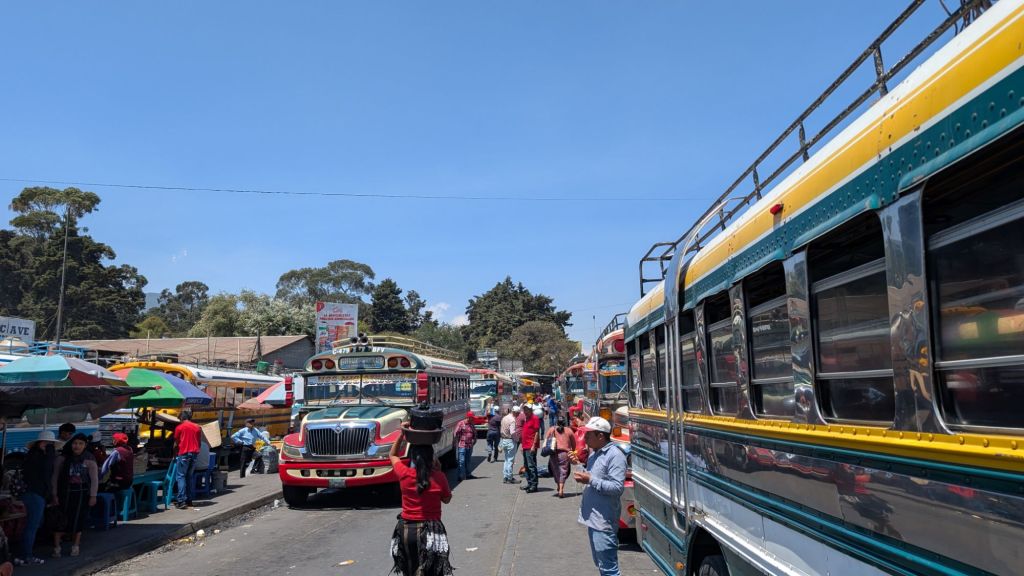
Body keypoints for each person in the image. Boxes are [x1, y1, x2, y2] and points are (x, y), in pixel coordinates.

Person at [389, 426, 454, 576]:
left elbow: (393, 455)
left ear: (412, 458)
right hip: (432, 531)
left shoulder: (404, 474)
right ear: (432, 459)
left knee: (410, 570)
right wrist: (439, 470)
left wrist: (402, 434)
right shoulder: (439, 477)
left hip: (407, 530)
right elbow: (447, 499)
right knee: (433, 571)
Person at [572, 416, 627, 576]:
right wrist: (577, 465)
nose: (585, 437)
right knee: (601, 564)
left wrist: (590, 479)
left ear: (600, 436)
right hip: (594, 520)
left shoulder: (615, 455)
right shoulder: (594, 454)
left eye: (589, 434)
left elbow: (617, 487)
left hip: (604, 522)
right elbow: (591, 476)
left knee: (609, 568)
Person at [14, 430, 59, 566]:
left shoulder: (31, 456)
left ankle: (23, 554)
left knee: (31, 525)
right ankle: (26, 556)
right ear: (42, 444)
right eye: (50, 444)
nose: (51, 447)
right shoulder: (41, 458)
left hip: (30, 493)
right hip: (35, 494)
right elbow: (46, 474)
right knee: (32, 526)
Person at [50, 433, 98, 559]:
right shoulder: (62, 459)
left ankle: (75, 546)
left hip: (81, 494)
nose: (77, 446)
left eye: (81, 444)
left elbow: (94, 479)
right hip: (64, 493)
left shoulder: (89, 459)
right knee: (59, 520)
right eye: (75, 443)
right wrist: (54, 494)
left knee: (78, 520)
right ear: (71, 444)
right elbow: (55, 477)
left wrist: (93, 496)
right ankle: (57, 547)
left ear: (85, 445)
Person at [173, 411, 202, 508]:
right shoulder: (197, 427)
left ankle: (181, 501)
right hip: (194, 454)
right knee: (189, 477)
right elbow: (199, 443)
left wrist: (174, 455)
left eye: (179, 419)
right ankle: (189, 500)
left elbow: (176, 444)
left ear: (181, 418)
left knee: (181, 477)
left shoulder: (180, 427)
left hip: (184, 454)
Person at [544, 418, 576, 498]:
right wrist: (573, 451)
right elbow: (574, 442)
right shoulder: (568, 430)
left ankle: (558, 485)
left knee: (555, 470)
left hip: (553, 453)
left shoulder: (552, 429)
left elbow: (546, 439)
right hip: (564, 453)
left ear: (557, 422)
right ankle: (561, 489)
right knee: (563, 471)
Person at [519, 407, 541, 493]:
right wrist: (522, 446)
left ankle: (534, 485)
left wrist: (534, 445)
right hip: (525, 445)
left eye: (526, 410)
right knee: (526, 466)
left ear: (530, 410)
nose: (525, 412)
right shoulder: (526, 418)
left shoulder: (534, 418)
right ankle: (529, 483)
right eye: (524, 410)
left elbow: (537, 432)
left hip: (530, 445)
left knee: (531, 465)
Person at [453, 412, 476, 481]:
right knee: (461, 461)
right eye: (472, 418)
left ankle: (468, 474)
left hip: (469, 445)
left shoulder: (472, 424)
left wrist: (474, 440)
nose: (473, 419)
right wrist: (455, 442)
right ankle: (461, 475)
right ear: (468, 417)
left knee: (468, 461)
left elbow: (474, 433)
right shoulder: (461, 423)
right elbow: (455, 433)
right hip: (462, 445)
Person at [500, 406, 520, 484]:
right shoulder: (512, 420)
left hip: (504, 440)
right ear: (515, 412)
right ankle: (509, 477)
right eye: (518, 413)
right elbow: (512, 432)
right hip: (510, 440)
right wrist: (517, 439)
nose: (518, 415)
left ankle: (505, 477)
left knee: (506, 460)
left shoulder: (504, 418)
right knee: (510, 460)